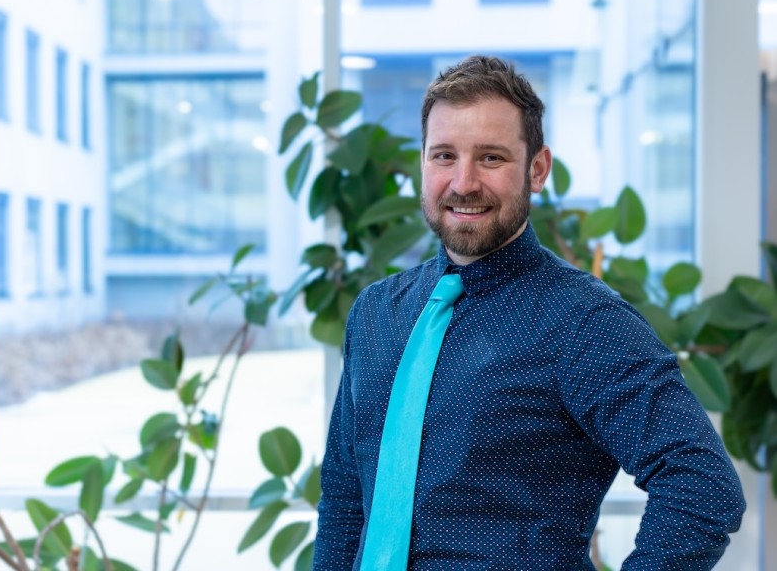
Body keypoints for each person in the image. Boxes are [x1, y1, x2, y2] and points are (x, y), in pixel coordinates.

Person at [312, 55, 745, 570]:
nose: (463, 182)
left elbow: (703, 488)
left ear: (537, 169)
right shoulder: (376, 313)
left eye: (491, 158)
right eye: (444, 156)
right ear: (423, 164)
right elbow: (344, 500)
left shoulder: (585, 322)